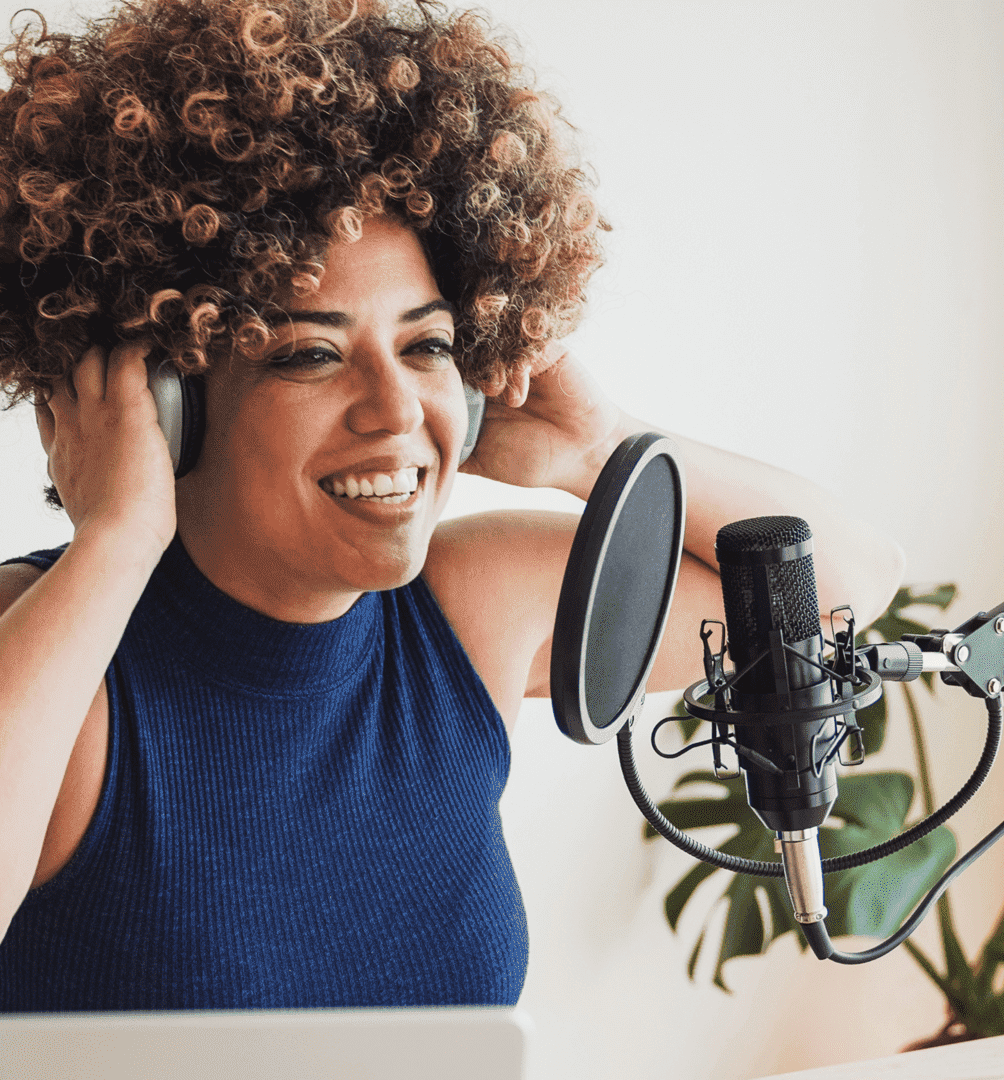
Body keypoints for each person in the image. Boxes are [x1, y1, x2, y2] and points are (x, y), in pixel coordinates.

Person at [0, 0, 903, 1010]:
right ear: (171, 405)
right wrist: (117, 540)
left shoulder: (463, 613)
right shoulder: (53, 656)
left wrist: (601, 452)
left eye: (427, 347)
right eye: (311, 354)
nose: (396, 410)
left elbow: (831, 597)